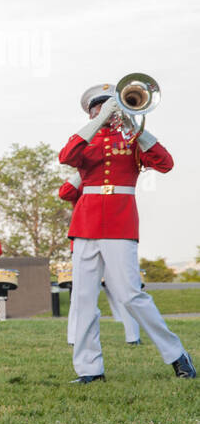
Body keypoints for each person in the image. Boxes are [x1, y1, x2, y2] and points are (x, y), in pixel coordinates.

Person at [58, 83, 194, 382]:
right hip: (86, 225)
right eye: (100, 107)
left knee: (131, 295)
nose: (107, 111)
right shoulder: (87, 139)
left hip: (120, 223)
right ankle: (89, 369)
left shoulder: (131, 140)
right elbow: (66, 156)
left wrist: (137, 128)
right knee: (82, 300)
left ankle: (177, 355)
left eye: (112, 106)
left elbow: (166, 164)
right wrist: (94, 123)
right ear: (92, 111)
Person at [59, 171, 139, 345]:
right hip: (86, 238)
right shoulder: (84, 179)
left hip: (113, 238)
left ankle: (133, 335)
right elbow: (65, 193)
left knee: (122, 290)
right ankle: (74, 337)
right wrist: (84, 170)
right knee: (81, 294)